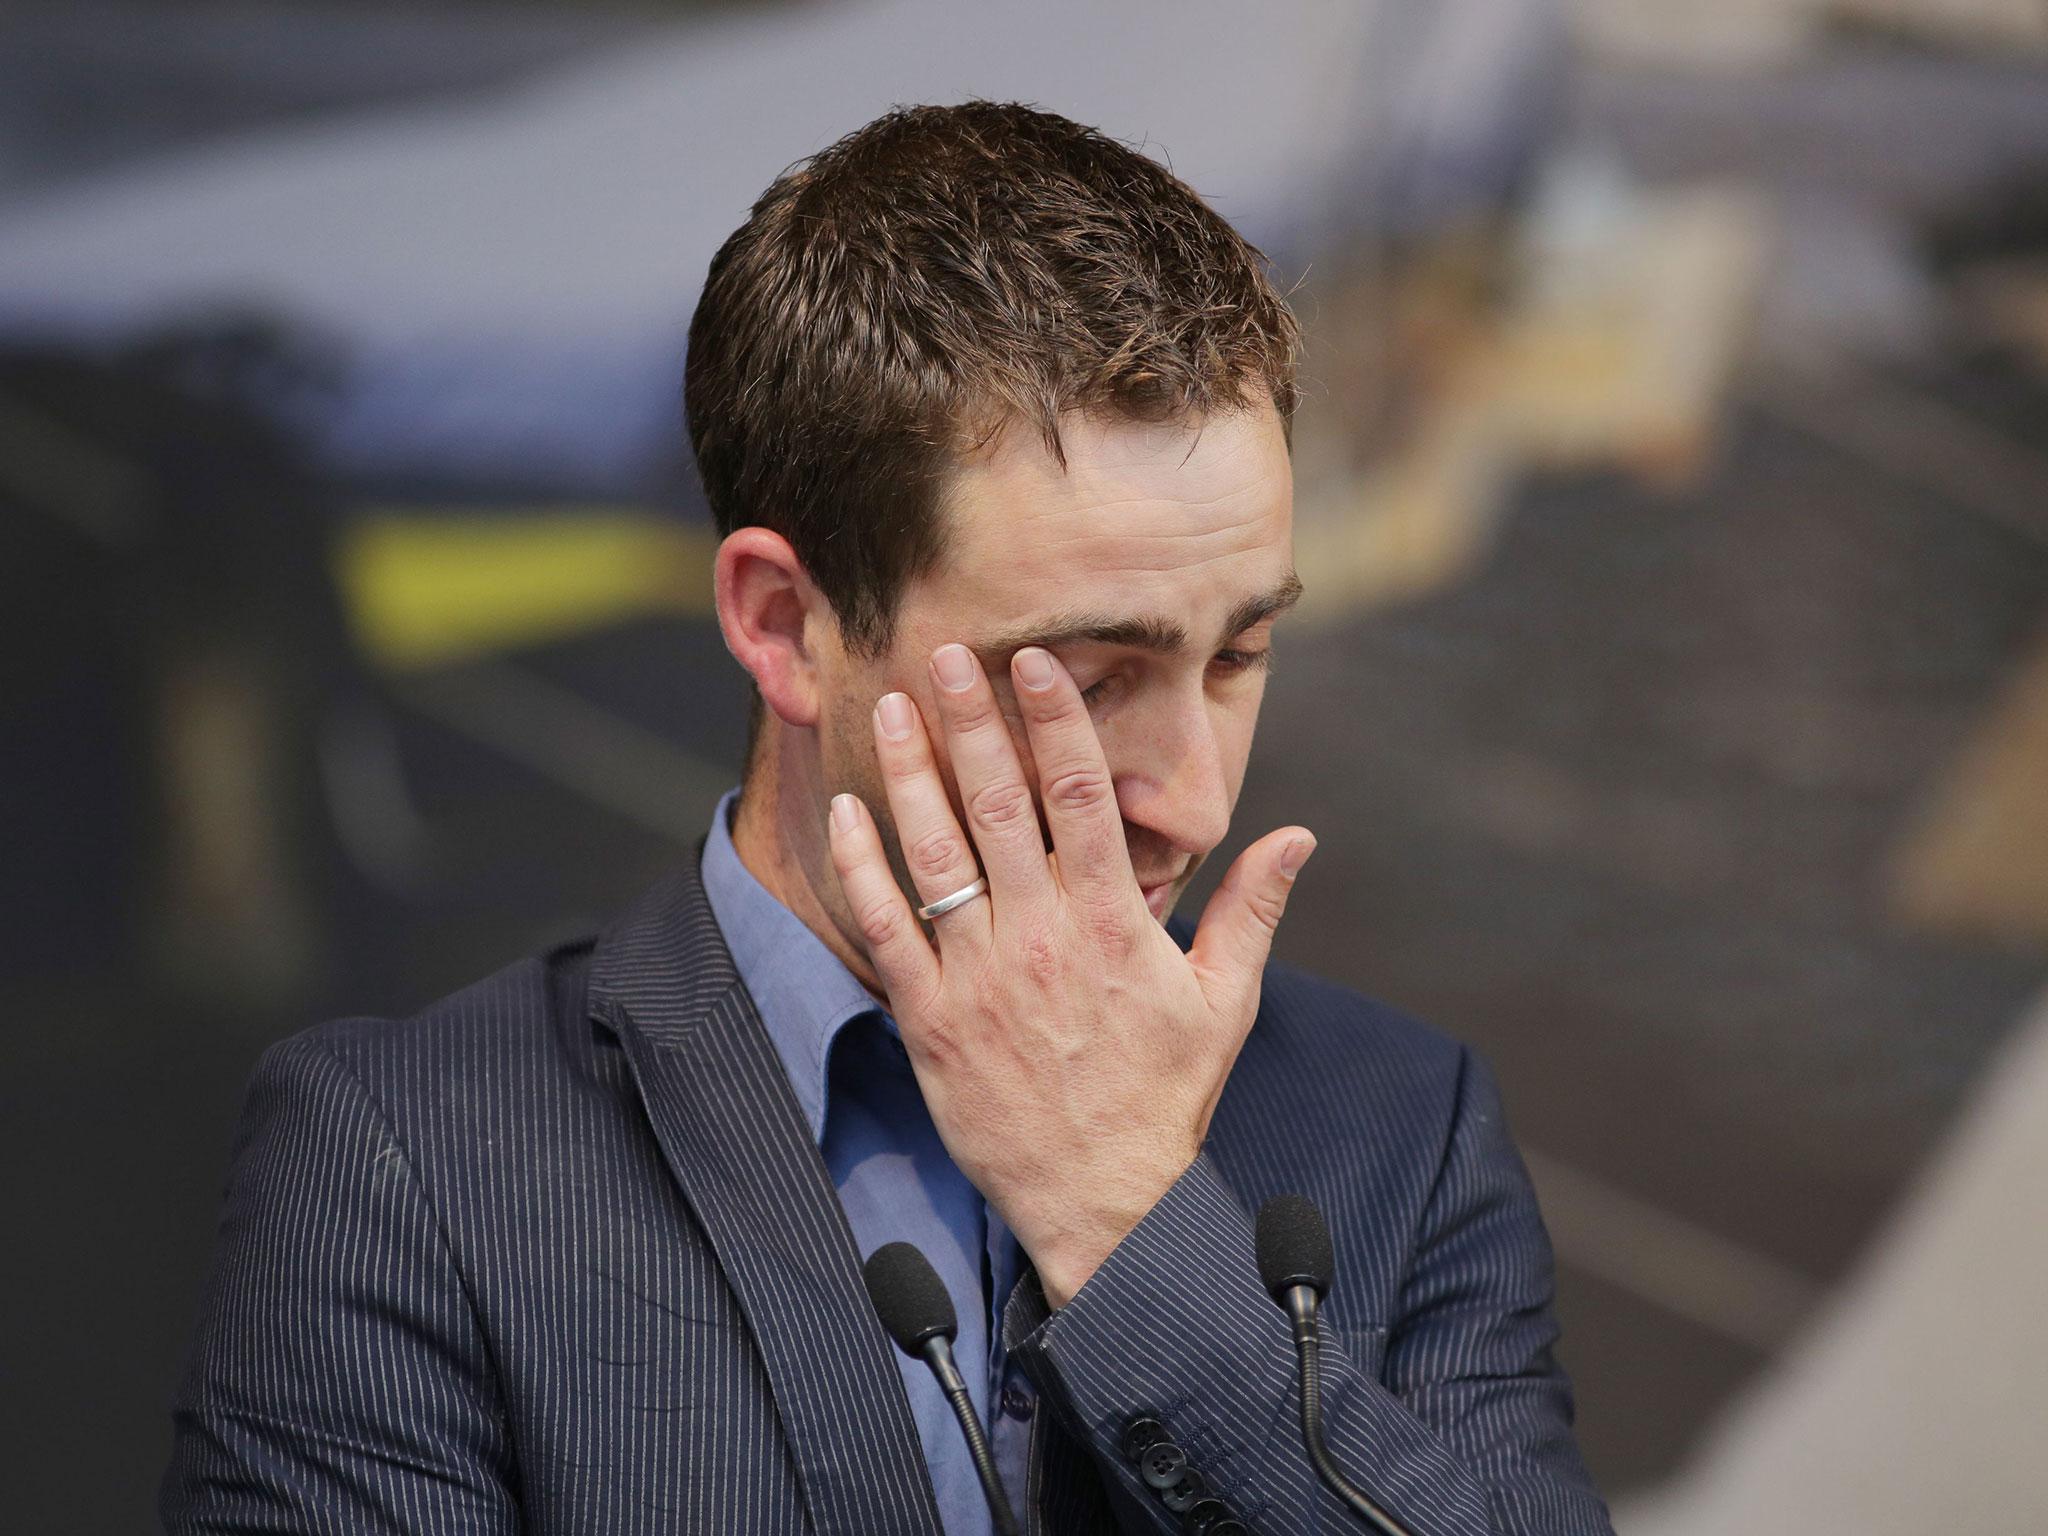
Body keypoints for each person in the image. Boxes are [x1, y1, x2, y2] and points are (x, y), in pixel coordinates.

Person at [162, 102, 1613, 1535]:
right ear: (786, 624)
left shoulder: (1400, 1130)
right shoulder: (411, 1163)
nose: (1194, 797)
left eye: (1236, 656)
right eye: (1087, 680)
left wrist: (1123, 1221)